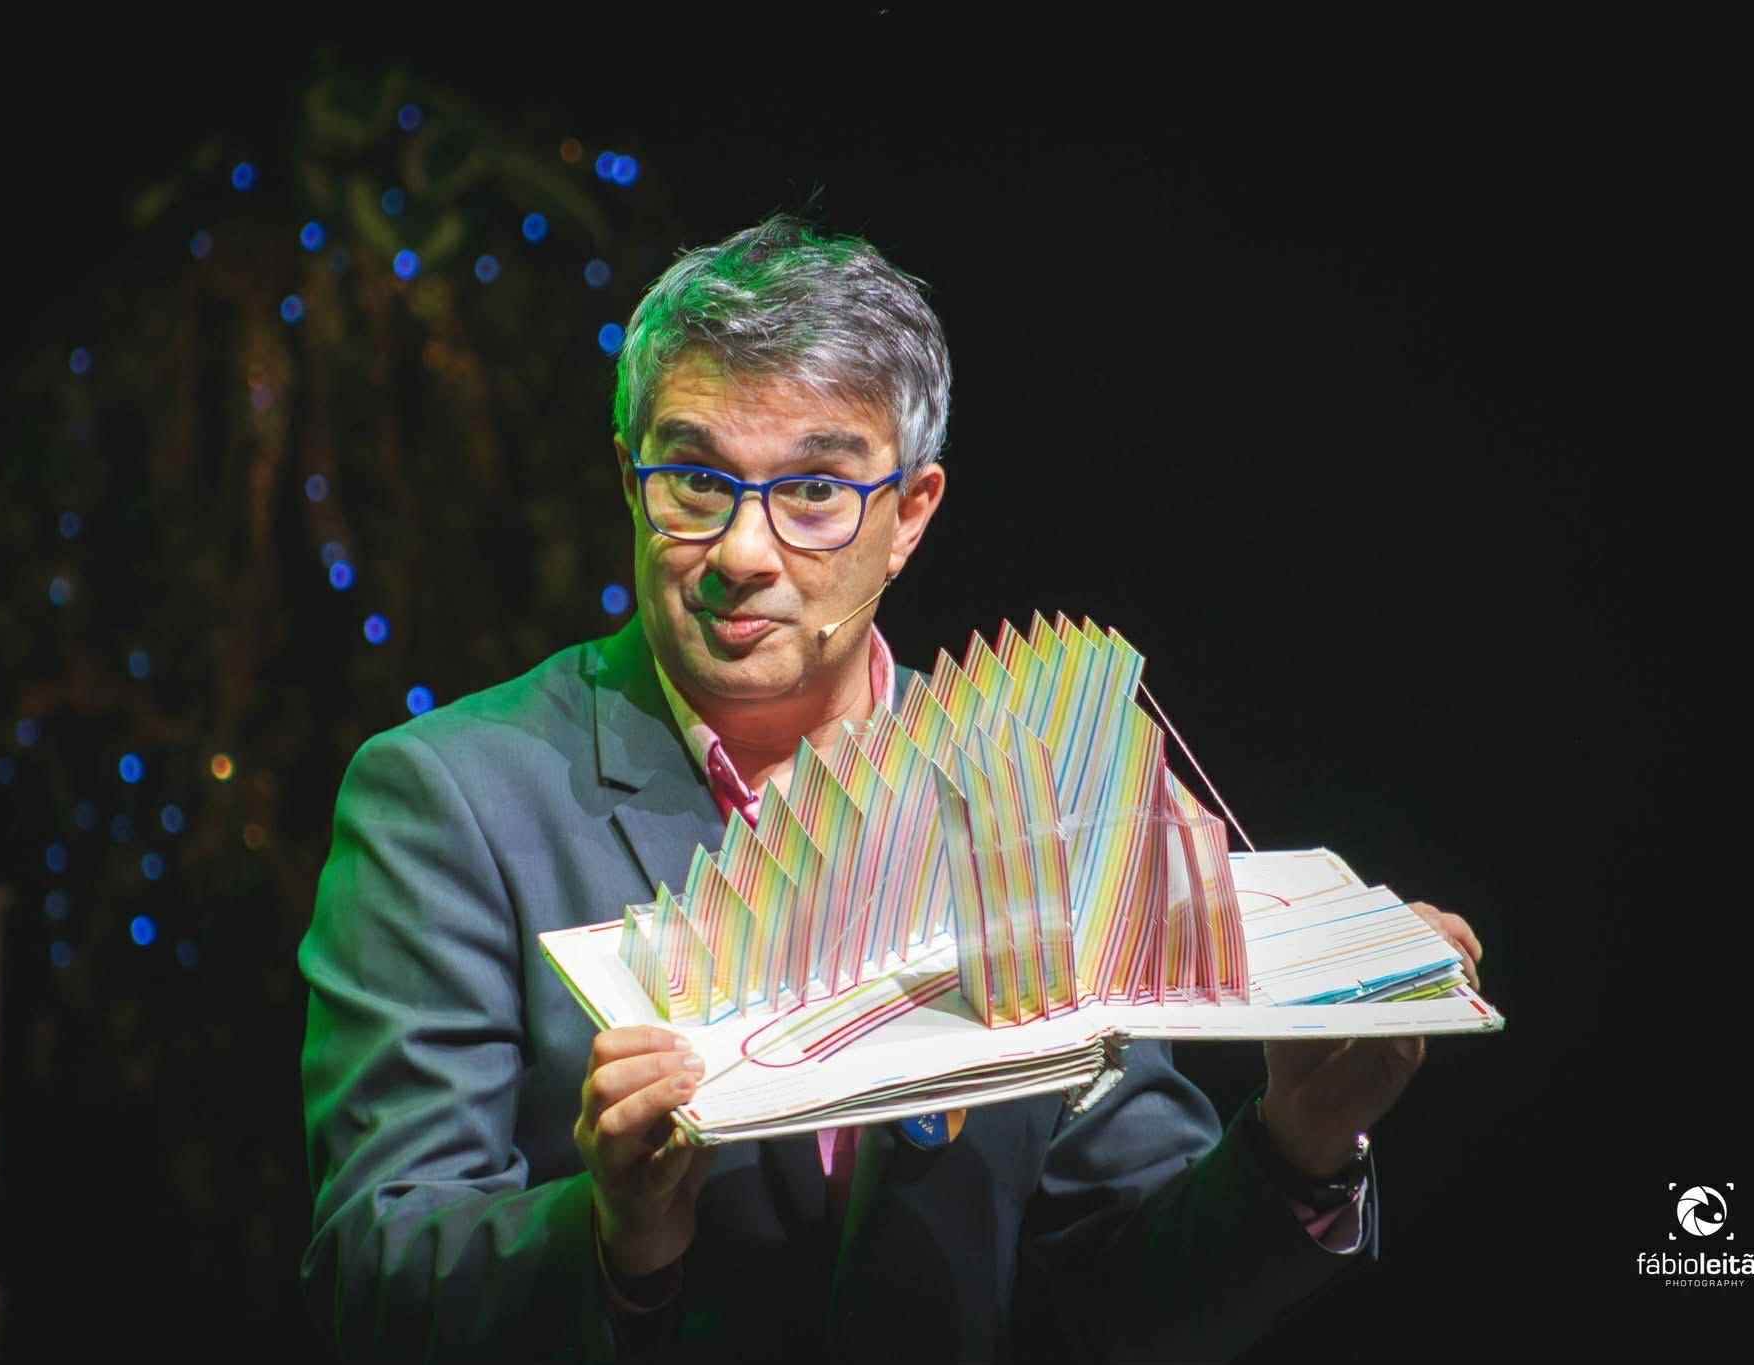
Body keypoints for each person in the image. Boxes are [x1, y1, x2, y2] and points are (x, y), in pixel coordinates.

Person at [297, 214, 1485, 1363]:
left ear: (909, 514)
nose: (742, 553)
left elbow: (1119, 1302)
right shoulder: (451, 800)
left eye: (814, 491)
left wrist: (1299, 1146)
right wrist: (616, 1243)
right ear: (627, 479)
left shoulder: (1032, 780)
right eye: (694, 480)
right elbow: (373, 1275)